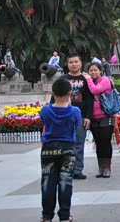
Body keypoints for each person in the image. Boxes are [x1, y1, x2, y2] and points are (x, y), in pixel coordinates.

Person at [39, 78, 81, 222]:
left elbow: (44, 122)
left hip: (48, 149)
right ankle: (64, 215)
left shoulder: (45, 110)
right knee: (65, 182)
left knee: (47, 182)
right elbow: (77, 125)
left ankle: (46, 216)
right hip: (68, 149)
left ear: (52, 93)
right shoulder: (75, 111)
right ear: (70, 93)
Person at [51, 53, 92, 179]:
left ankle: (77, 170)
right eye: (71, 62)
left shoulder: (86, 79)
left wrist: (88, 117)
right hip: (64, 117)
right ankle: (65, 169)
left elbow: (89, 99)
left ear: (80, 63)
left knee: (79, 144)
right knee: (64, 144)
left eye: (76, 62)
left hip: (80, 117)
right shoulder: (62, 79)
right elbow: (54, 98)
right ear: (67, 64)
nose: (74, 64)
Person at [83, 63, 115, 178]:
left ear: (100, 71)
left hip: (106, 116)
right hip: (93, 117)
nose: (93, 72)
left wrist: (88, 79)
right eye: (91, 70)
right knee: (98, 143)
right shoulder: (89, 82)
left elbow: (95, 90)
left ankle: (107, 167)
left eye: (95, 70)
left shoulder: (105, 80)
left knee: (105, 142)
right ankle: (101, 167)